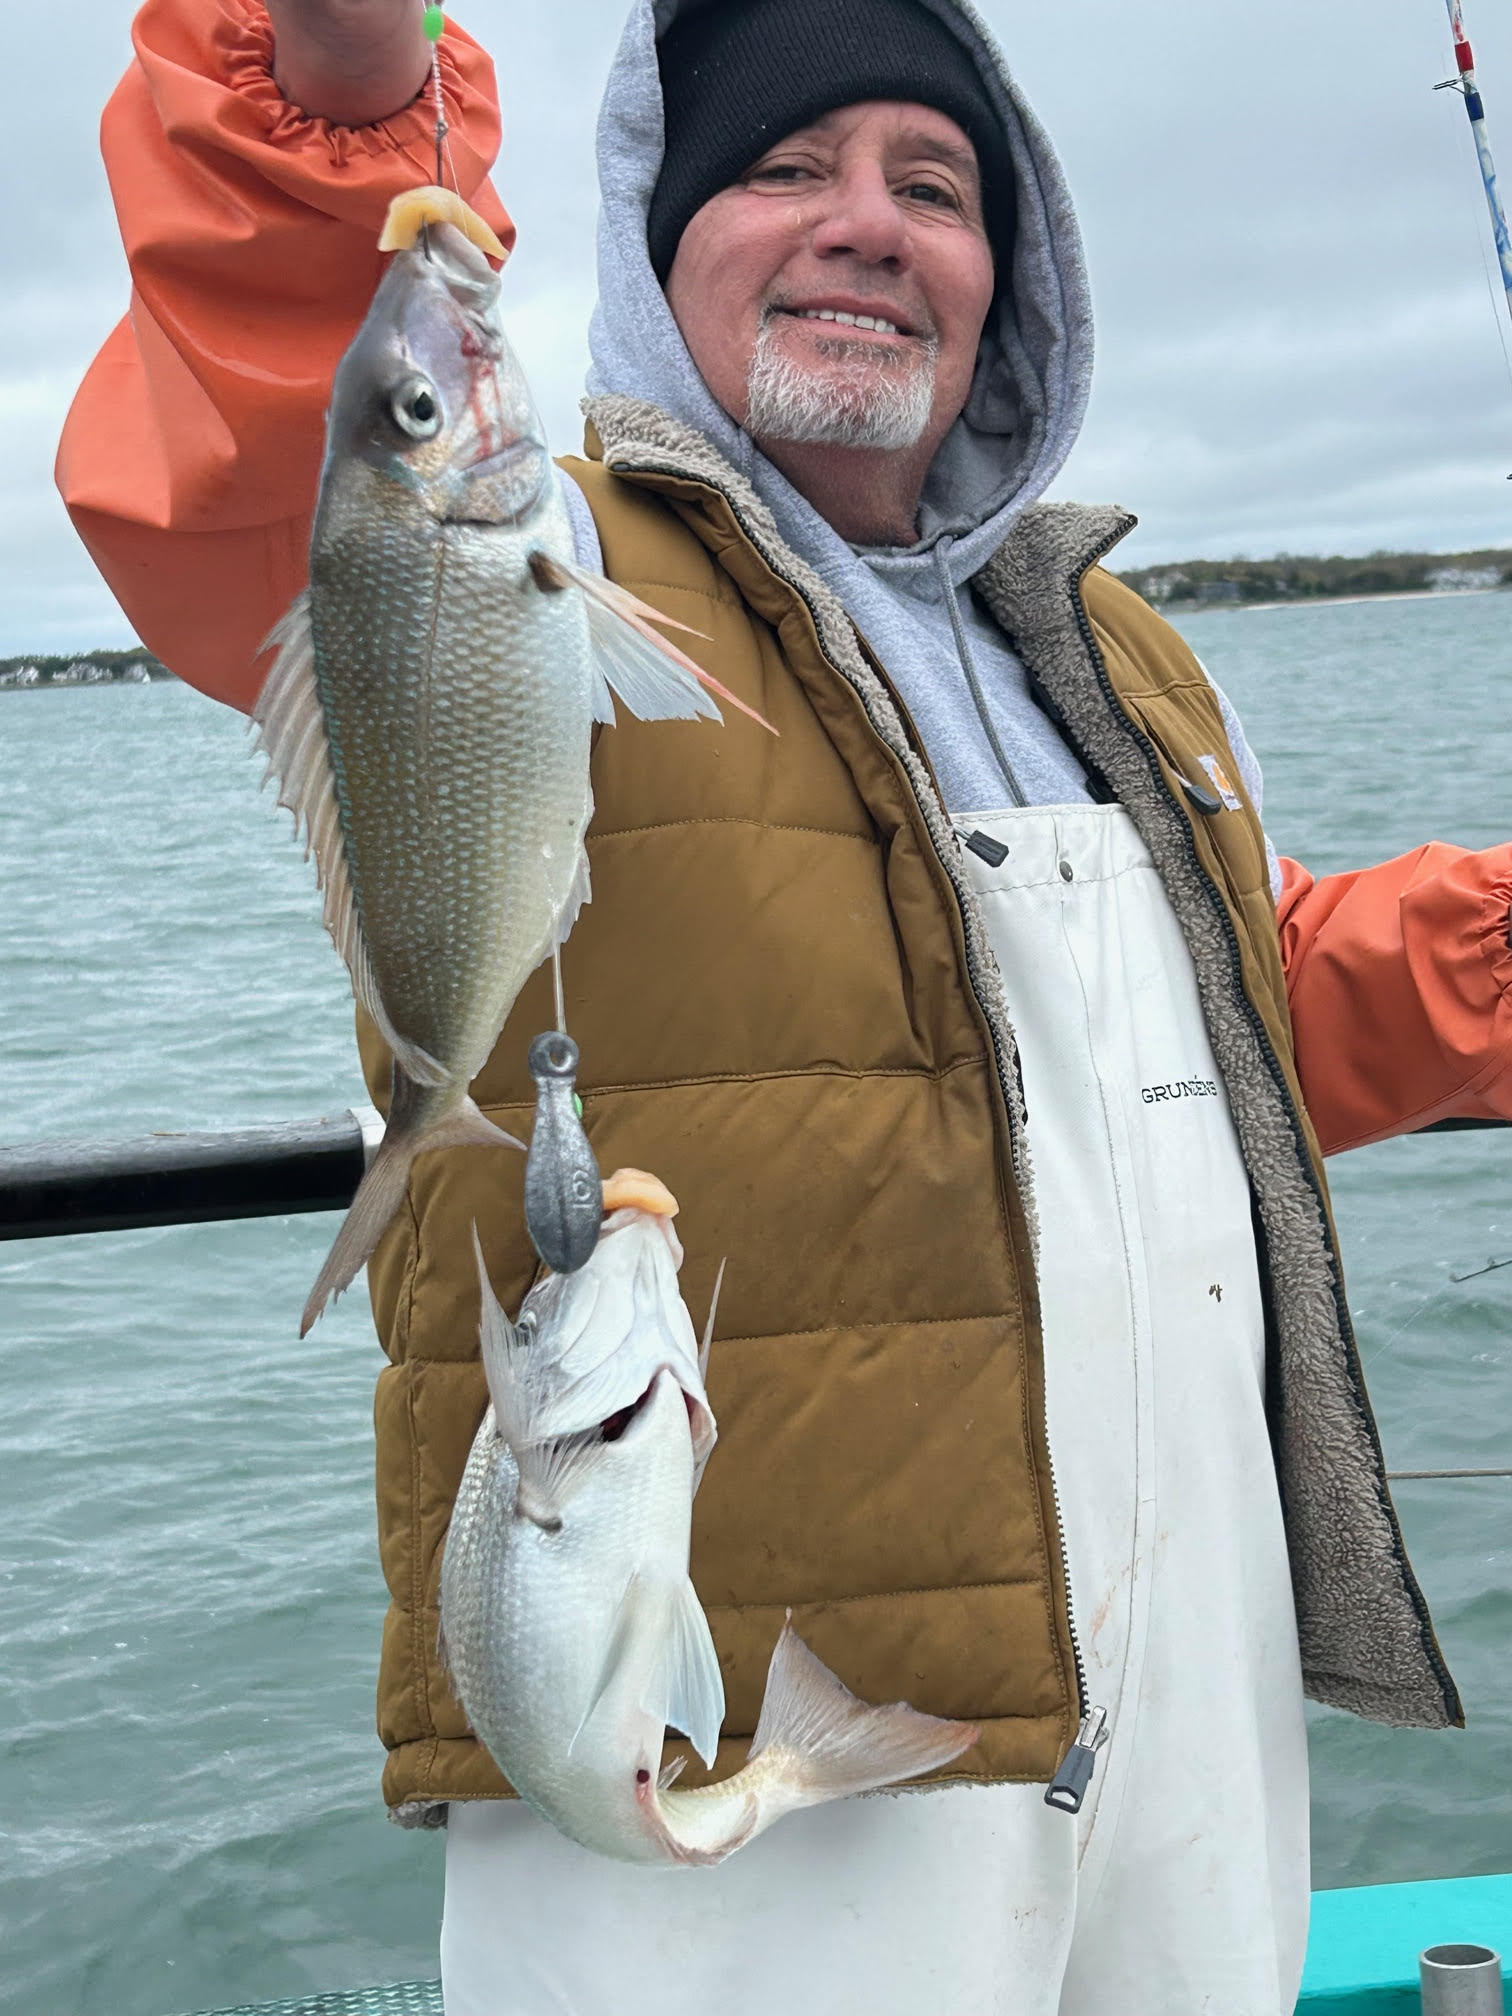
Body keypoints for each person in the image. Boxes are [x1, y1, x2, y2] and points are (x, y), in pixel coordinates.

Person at [58, 0, 1512, 2010]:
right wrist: (340, 96)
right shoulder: (540, 562)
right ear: (658, 242)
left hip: (1192, 1697)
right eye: (783, 168)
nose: (868, 223)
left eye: (936, 185)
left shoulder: (1117, 654)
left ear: (1012, 275)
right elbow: (295, 418)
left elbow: (1228, 1036)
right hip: (737, 1741)